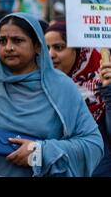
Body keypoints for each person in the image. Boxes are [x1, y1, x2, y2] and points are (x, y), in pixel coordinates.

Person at [0, 13, 104, 177]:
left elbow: (93, 144)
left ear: (37, 46)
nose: (9, 47)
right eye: (2, 41)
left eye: (17, 40)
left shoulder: (61, 87)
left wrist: (40, 152)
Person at [45, 21, 111, 176]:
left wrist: (108, 90)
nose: (50, 55)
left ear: (79, 51)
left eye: (59, 47)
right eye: (46, 48)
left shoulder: (102, 84)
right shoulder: (42, 87)